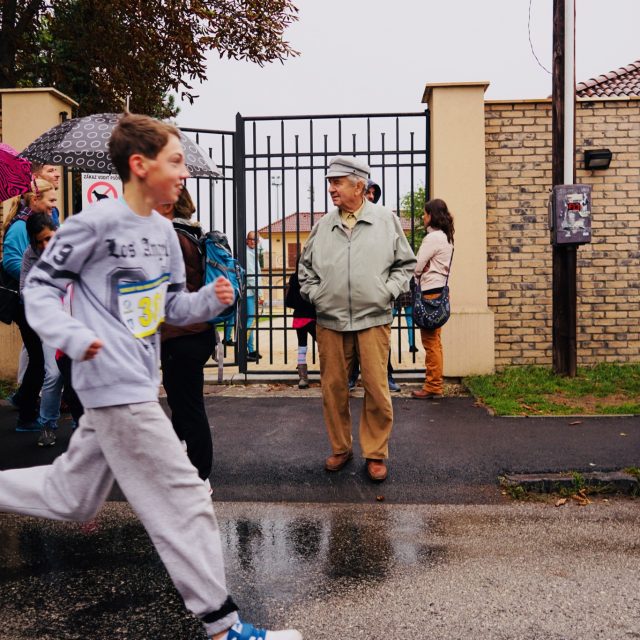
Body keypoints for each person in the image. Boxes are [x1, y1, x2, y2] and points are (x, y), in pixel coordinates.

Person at [0, 113, 302, 640]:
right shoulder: (89, 224)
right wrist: (70, 337)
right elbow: (40, 291)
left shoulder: (163, 231)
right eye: (176, 161)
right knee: (186, 496)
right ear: (140, 166)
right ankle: (224, 626)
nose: (184, 173)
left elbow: (160, 307)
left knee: (72, 496)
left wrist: (207, 301)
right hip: (111, 383)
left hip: (138, 379)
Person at [299, 156, 416, 482]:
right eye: (330, 182)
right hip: (330, 322)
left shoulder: (385, 220)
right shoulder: (323, 225)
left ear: (359, 186)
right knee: (333, 389)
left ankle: (376, 454)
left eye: (337, 182)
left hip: (373, 318)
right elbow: (304, 271)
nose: (331, 188)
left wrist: (386, 292)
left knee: (377, 390)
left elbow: (405, 264)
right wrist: (317, 296)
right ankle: (341, 447)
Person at [159, 187, 216, 493]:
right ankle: (174, 461)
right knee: (182, 403)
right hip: (198, 332)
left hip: (180, 335)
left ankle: (200, 476)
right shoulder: (195, 236)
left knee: (189, 407)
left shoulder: (172, 240)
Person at [2, 179, 58, 432]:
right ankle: (28, 413)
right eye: (51, 200)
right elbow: (11, 262)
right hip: (30, 309)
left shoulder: (47, 225)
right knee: (42, 364)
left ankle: (25, 403)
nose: (54, 204)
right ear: (35, 200)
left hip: (47, 309)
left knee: (42, 362)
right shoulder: (20, 229)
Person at [348, 178, 402, 392]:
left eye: (373, 194)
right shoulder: (345, 222)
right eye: (367, 193)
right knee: (352, 341)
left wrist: (389, 290)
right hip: (351, 296)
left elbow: (401, 260)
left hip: (379, 295)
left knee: (381, 342)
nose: (370, 197)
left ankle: (386, 376)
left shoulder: (386, 221)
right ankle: (351, 377)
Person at [20, 212, 63, 447]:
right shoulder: (30, 255)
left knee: (81, 374)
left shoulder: (72, 247)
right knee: (54, 374)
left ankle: (84, 425)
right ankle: (47, 426)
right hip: (51, 321)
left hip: (77, 317)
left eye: (50, 238)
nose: (47, 245)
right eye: (41, 241)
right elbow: (25, 289)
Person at [411, 198, 455, 400]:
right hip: (441, 290)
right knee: (436, 341)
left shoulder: (433, 238)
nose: (423, 216)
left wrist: (418, 273)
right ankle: (435, 382)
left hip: (429, 292)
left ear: (432, 216)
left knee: (430, 342)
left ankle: (433, 385)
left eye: (425, 214)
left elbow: (417, 266)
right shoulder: (446, 237)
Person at [225, 231, 263, 361]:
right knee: (250, 320)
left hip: (247, 291)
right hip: (249, 292)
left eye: (256, 240)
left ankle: (250, 350)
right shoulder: (247, 253)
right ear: (246, 240)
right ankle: (245, 350)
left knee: (246, 320)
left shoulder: (252, 253)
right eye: (251, 239)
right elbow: (252, 276)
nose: (253, 242)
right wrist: (260, 293)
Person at [285, 259, 316, 389]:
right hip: (313, 316)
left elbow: (290, 301)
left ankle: (303, 378)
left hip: (299, 317)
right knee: (325, 346)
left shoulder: (294, 277)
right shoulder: (313, 276)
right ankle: (328, 374)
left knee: (302, 347)